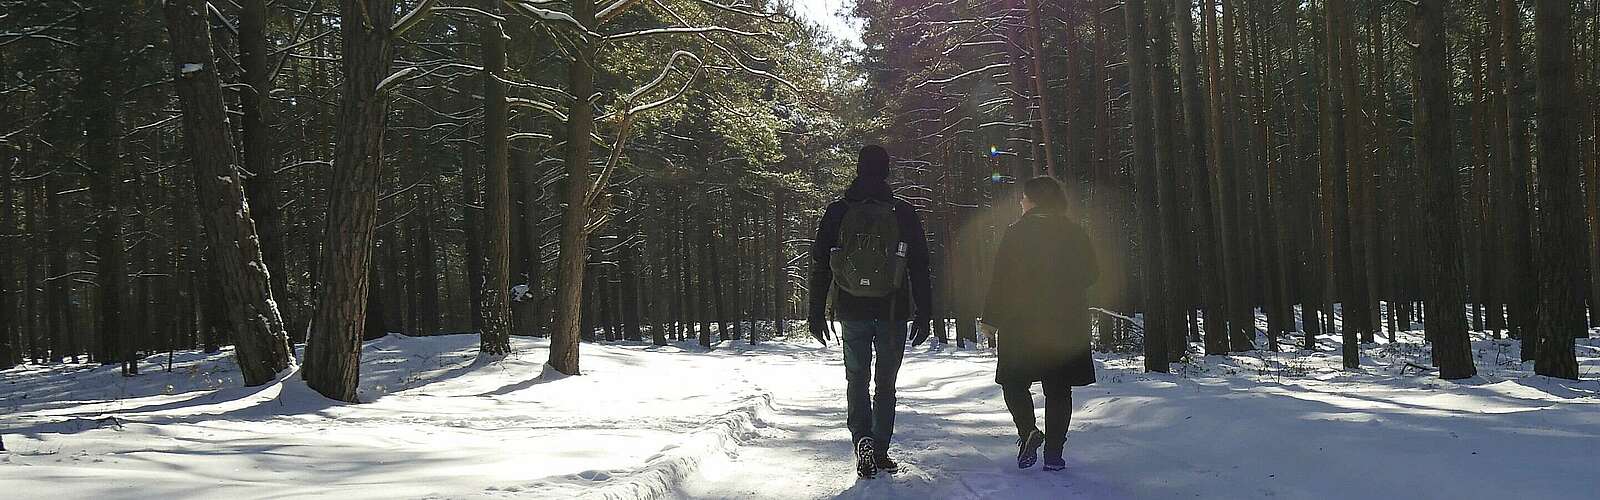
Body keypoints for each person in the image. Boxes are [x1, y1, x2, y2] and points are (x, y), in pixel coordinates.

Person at [808, 145, 934, 479]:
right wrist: (925, 312)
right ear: (887, 170)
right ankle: (879, 449)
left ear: (858, 169)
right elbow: (920, 265)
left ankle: (861, 437)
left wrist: (816, 312)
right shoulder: (903, 212)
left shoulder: (837, 211)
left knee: (856, 379)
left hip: (851, 310)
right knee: (886, 384)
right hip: (893, 310)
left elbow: (821, 264)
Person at [981, 176, 1099, 472]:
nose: (1021, 202)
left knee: (1013, 382)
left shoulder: (1016, 233)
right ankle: (1054, 455)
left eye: (1023, 197)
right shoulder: (1074, 233)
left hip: (1021, 322)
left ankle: (1028, 431)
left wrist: (991, 319)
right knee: (1059, 389)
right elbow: (1092, 273)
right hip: (1065, 323)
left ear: (1033, 200)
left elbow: (1001, 279)